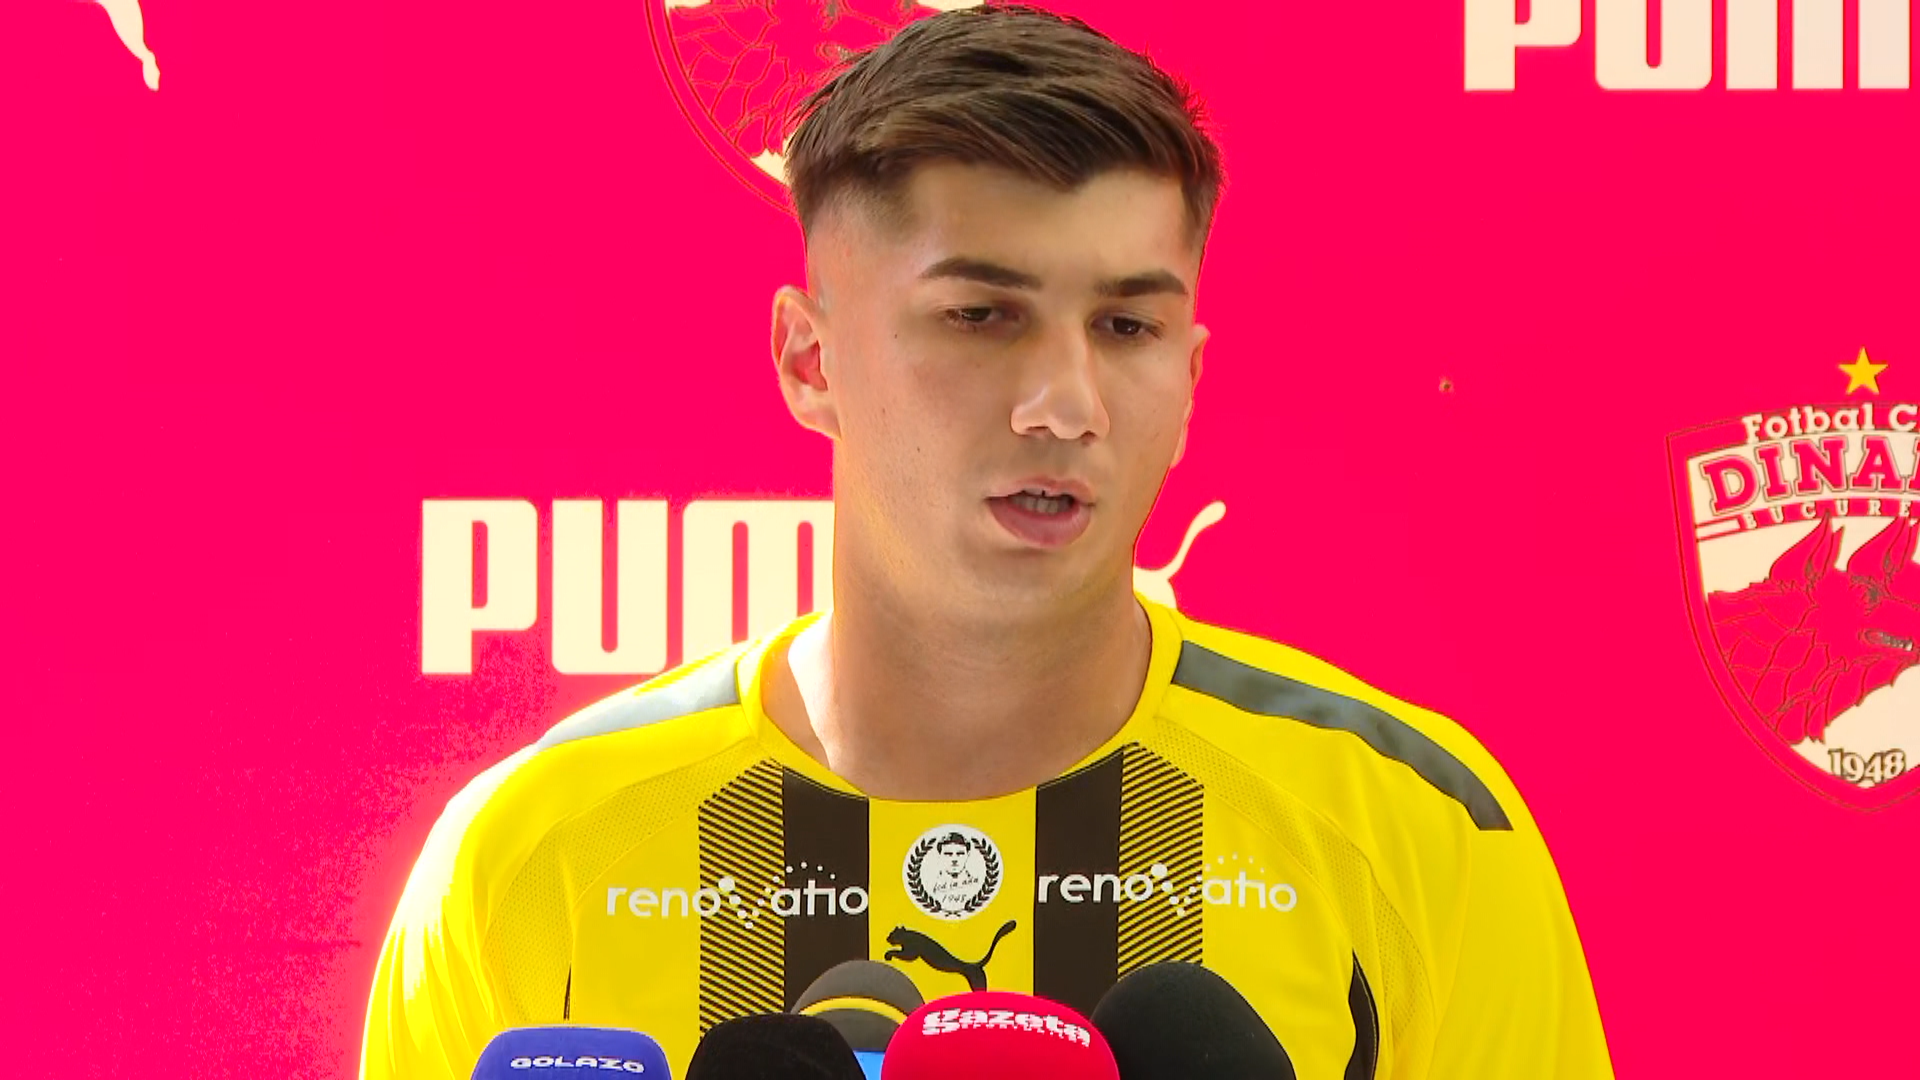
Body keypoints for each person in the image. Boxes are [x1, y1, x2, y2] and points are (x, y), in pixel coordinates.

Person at [359, 5, 1615, 1077]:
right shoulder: (530, 852)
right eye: (981, 315)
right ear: (810, 360)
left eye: (1126, 328)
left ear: (1189, 380)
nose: (1063, 404)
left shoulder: (1417, 829)